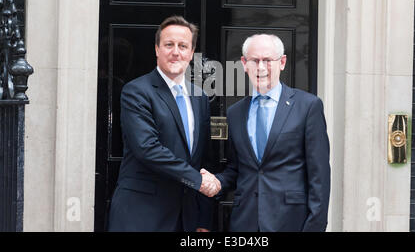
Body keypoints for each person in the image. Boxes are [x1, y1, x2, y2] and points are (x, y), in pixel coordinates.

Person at [206, 34, 330, 232]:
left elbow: (319, 176)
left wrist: (315, 226)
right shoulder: (235, 112)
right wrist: (217, 182)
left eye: (267, 60)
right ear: (244, 64)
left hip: (291, 222)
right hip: (245, 223)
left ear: (282, 62)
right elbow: (237, 169)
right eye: (254, 60)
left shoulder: (308, 107)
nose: (261, 67)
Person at [107, 16, 220, 232]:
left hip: (186, 218)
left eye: (183, 46)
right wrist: (199, 180)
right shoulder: (137, 91)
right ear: (157, 49)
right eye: (169, 44)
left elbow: (205, 158)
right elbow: (147, 148)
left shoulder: (200, 97)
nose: (175, 52)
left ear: (191, 52)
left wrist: (203, 219)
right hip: (142, 215)